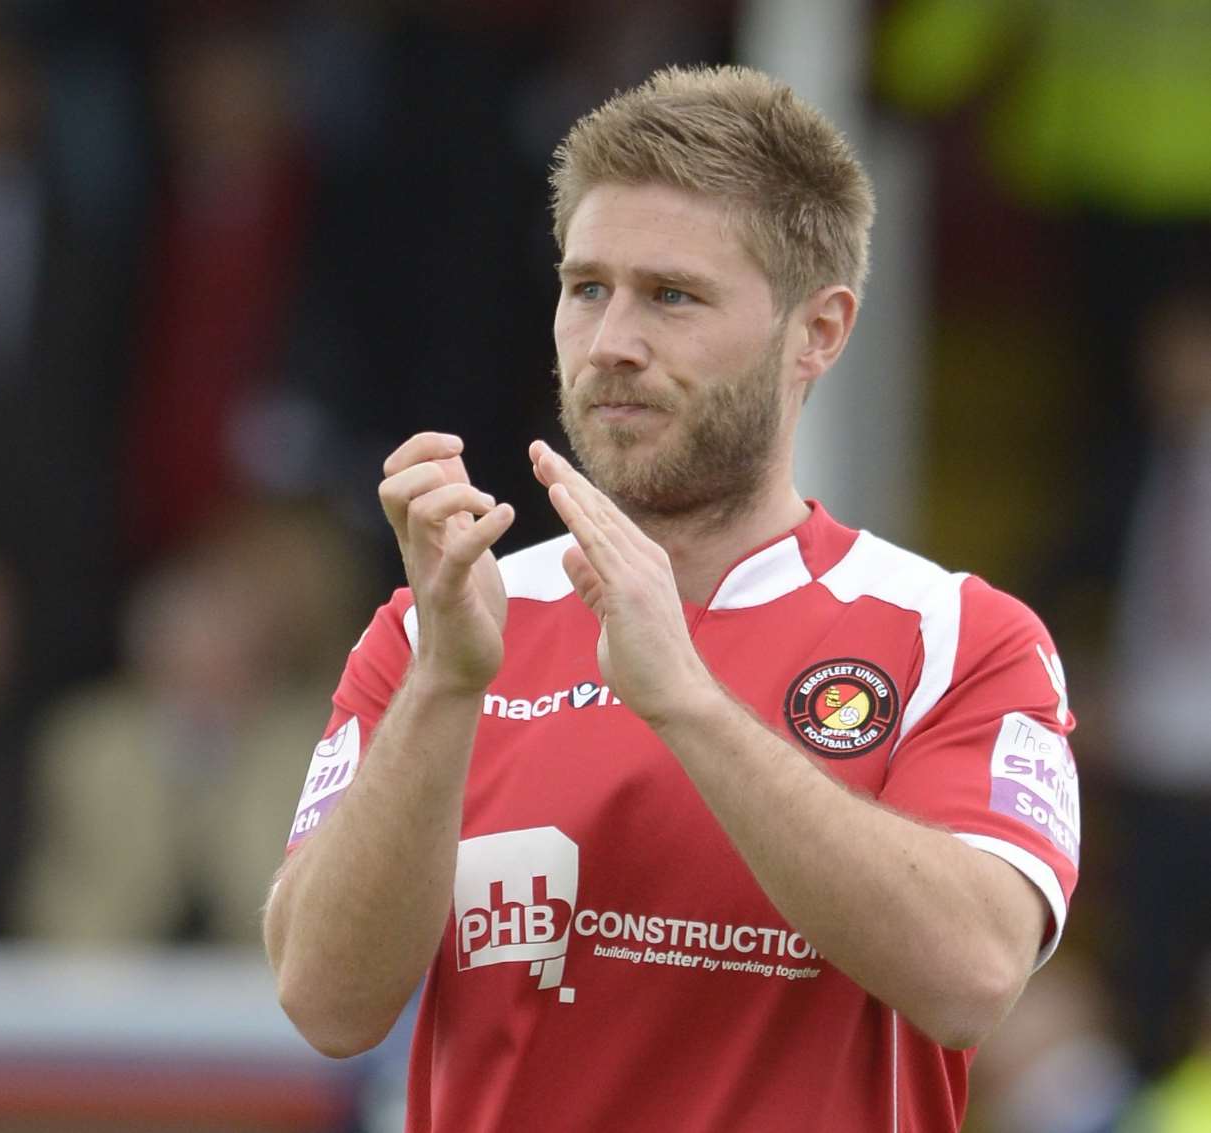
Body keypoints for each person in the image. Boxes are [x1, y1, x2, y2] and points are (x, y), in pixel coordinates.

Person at [264, 65, 1080, 1132]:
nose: (611, 344)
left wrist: (687, 700)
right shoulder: (441, 623)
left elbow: (973, 974)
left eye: (673, 295)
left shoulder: (959, 636)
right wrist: (444, 687)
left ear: (818, 331)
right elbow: (325, 1001)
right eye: (586, 287)